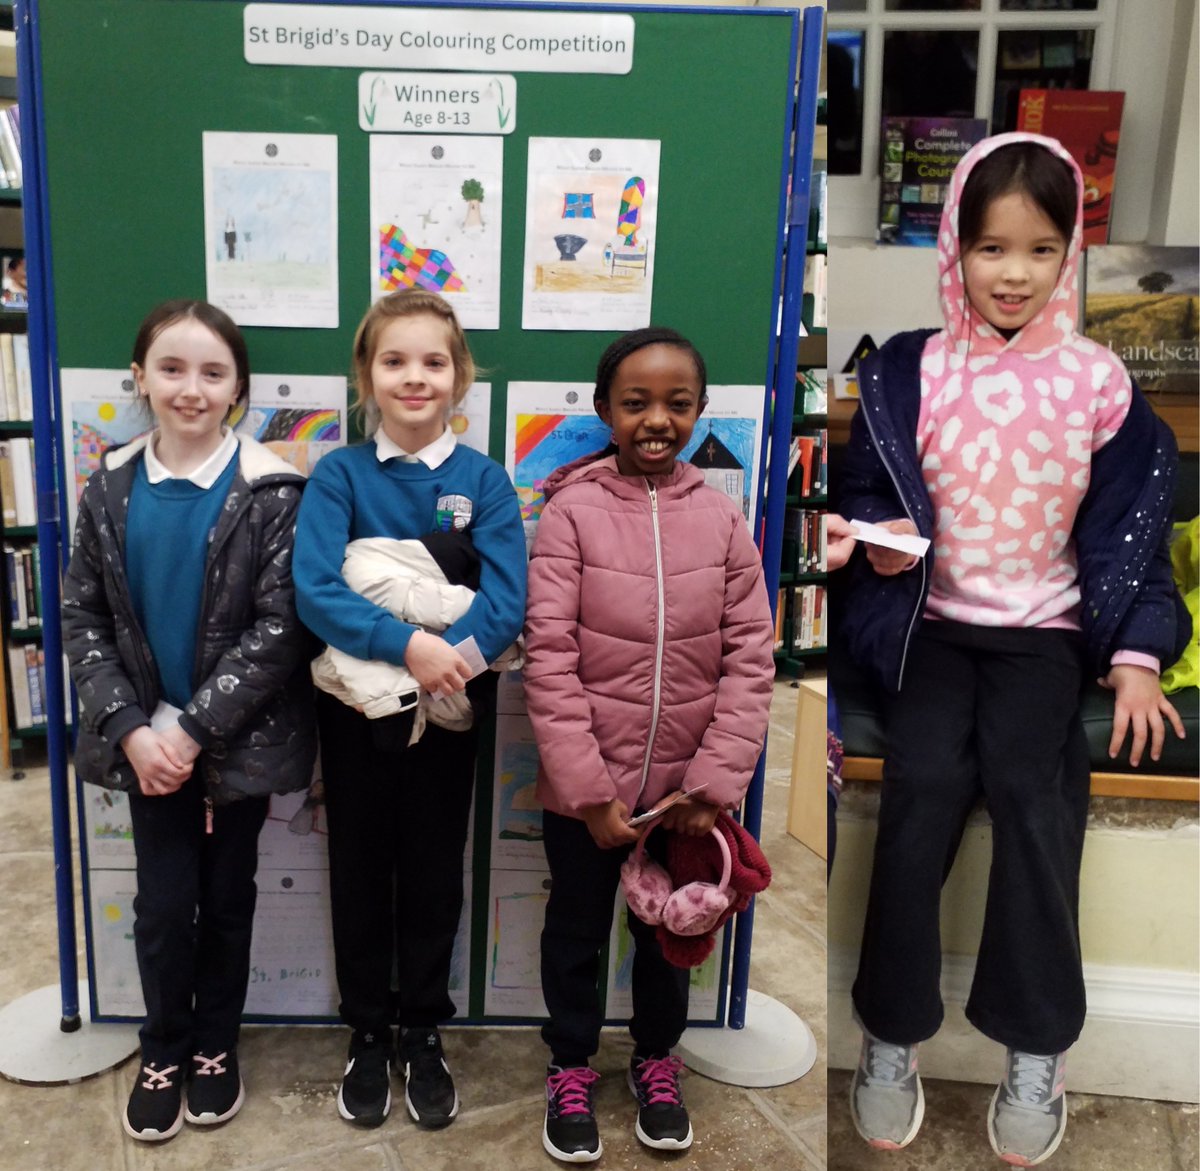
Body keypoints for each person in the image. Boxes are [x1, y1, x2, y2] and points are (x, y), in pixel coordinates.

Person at [839, 132, 1190, 1167]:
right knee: (923, 792)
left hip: (1046, 639)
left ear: (1069, 251)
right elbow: (865, 496)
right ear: (955, 247)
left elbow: (1136, 538)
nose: (1014, 272)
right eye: (992, 248)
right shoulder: (907, 369)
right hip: (933, 633)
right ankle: (892, 1034)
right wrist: (879, 549)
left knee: (1038, 803)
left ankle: (1037, 1046)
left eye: (1040, 249)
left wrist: (1135, 656)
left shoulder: (1100, 385)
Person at [61, 299, 316, 1142]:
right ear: (140, 377)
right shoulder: (107, 487)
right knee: (165, 906)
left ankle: (215, 1044)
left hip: (232, 741)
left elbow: (281, 627)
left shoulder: (273, 488)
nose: (191, 388)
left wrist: (193, 728)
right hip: (144, 746)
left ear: (238, 387)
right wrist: (134, 728)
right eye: (171, 368)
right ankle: (163, 1045)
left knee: (227, 896)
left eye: (213, 372)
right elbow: (82, 616)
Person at [523, 326, 776, 1163]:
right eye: (636, 403)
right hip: (589, 793)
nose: (657, 419)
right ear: (605, 412)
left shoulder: (722, 517)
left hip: (686, 798)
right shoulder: (571, 514)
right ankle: (569, 1065)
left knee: (671, 937)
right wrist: (589, 791)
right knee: (577, 930)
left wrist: (713, 782)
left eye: (676, 403)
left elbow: (751, 656)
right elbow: (549, 656)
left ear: (701, 412)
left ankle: (658, 1059)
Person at [292, 289, 526, 1132]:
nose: (414, 377)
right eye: (395, 360)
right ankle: (367, 1029)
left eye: (433, 361)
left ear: (459, 376)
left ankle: (423, 1027)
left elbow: (505, 601)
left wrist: (449, 661)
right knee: (359, 868)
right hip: (355, 718)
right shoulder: (341, 475)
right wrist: (409, 647)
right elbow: (317, 590)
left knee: (432, 869)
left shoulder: (485, 481)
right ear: (367, 374)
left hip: (453, 709)